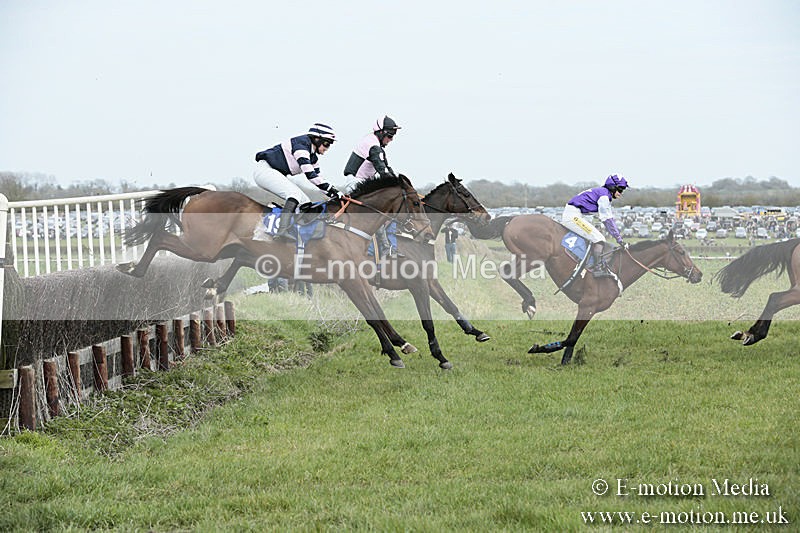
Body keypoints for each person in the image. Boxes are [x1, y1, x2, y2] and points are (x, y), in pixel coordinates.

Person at [254, 123, 341, 239]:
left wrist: (335, 194)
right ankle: (281, 231)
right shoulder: (301, 145)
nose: (327, 148)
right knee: (294, 195)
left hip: (275, 173)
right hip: (265, 171)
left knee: (305, 203)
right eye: (326, 144)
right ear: (316, 139)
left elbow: (319, 180)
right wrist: (332, 190)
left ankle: (294, 231)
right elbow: (310, 175)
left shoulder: (313, 157)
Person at [344, 115, 402, 257]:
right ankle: (385, 246)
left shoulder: (375, 144)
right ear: (381, 132)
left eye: (393, 136)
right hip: (356, 183)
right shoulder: (373, 146)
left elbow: (387, 168)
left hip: (364, 183)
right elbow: (383, 171)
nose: (391, 140)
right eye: (389, 136)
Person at [561, 174, 629, 277]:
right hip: (572, 216)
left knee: (594, 237)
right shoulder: (604, 197)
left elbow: (605, 218)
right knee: (599, 239)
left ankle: (588, 263)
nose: (621, 193)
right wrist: (619, 239)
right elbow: (607, 220)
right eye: (620, 190)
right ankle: (597, 269)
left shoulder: (603, 193)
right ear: (612, 187)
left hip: (574, 214)